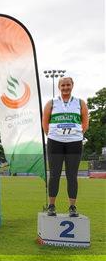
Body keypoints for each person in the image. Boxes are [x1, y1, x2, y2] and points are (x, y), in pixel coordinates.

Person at [42, 77, 89, 217]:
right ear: (59, 87)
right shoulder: (51, 103)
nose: (65, 88)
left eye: (68, 85)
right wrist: (51, 134)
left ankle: (72, 207)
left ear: (72, 86)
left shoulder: (80, 103)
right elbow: (45, 122)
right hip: (55, 142)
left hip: (74, 143)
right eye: (63, 85)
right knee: (54, 174)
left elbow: (85, 122)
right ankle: (51, 206)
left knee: (72, 175)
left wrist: (77, 134)